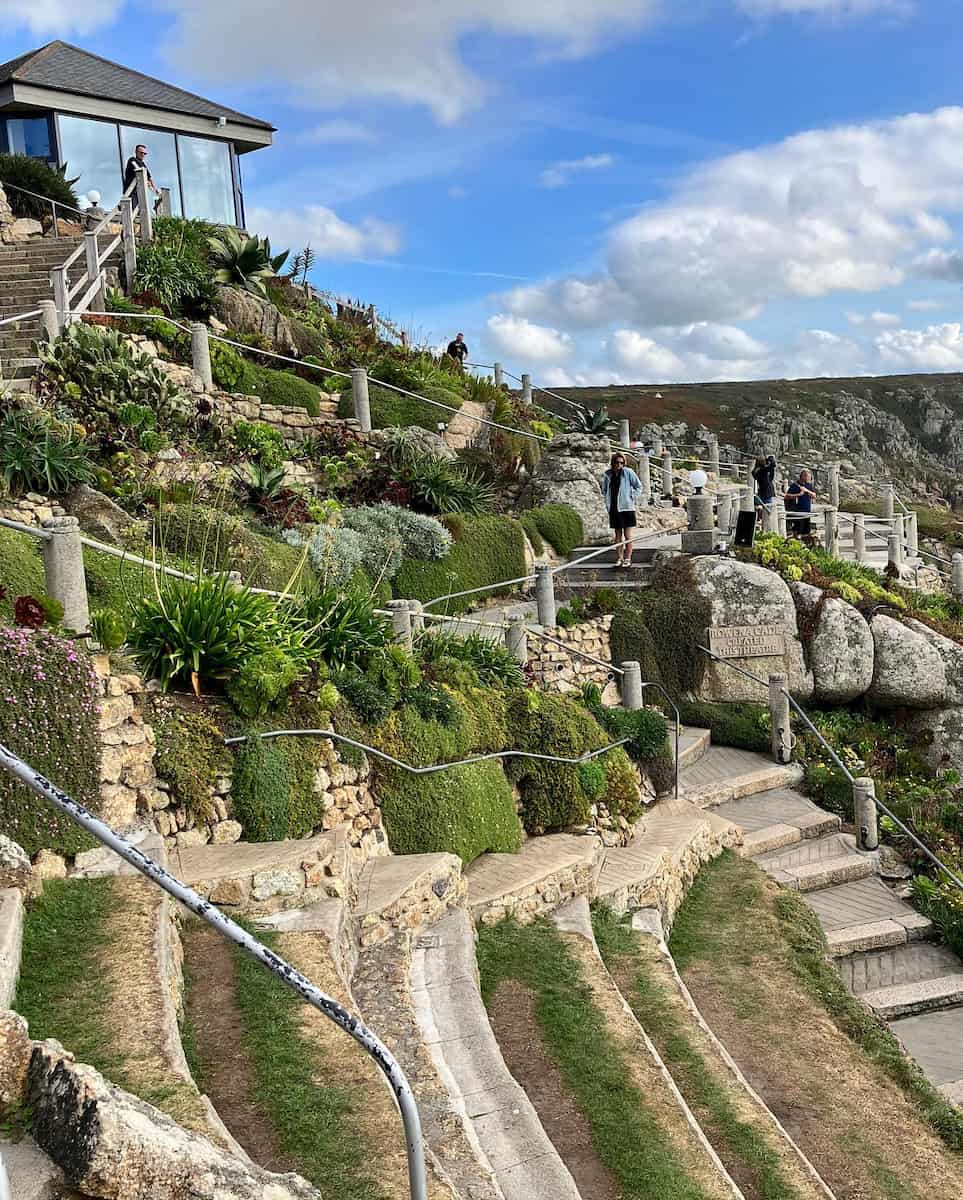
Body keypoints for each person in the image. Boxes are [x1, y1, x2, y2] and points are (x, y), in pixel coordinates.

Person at [601, 452, 643, 567]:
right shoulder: (607, 474)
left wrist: (631, 496)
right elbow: (604, 490)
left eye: (622, 462)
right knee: (617, 535)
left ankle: (628, 558)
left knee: (628, 535)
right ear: (613, 462)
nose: (619, 464)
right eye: (617, 462)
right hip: (614, 508)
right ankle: (619, 558)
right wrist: (607, 500)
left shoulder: (628, 472)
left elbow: (639, 486)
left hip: (627, 508)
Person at [785, 469, 816, 540]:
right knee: (798, 531)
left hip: (807, 511)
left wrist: (807, 491)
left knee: (806, 531)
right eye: (808, 477)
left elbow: (814, 495)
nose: (809, 478)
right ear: (803, 476)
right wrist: (798, 494)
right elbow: (786, 496)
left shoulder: (809, 485)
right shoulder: (794, 485)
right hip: (798, 512)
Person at [752, 455, 776, 522]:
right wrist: (771, 461)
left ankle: (759, 518)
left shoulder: (757, 470)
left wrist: (769, 463)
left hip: (762, 492)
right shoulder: (762, 470)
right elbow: (771, 466)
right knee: (767, 513)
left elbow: (771, 476)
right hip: (766, 494)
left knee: (761, 508)